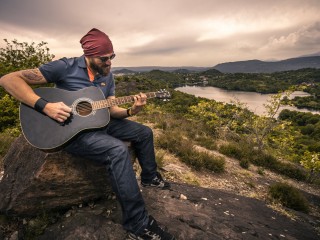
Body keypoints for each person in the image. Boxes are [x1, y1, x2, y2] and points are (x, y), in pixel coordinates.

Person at [0, 28, 176, 240]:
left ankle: (149, 178)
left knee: (144, 132)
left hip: (100, 122)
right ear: (89, 55)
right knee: (117, 150)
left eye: (112, 57)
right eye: (104, 58)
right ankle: (137, 225)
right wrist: (45, 106)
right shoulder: (65, 66)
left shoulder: (107, 76)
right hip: (70, 130)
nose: (109, 62)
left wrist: (131, 111)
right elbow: (8, 80)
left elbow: (110, 110)